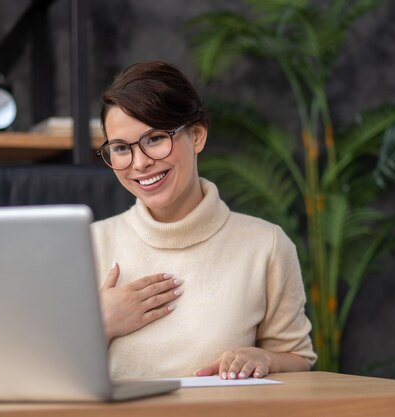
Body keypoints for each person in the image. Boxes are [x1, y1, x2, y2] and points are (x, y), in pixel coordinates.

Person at [91, 61, 316, 379]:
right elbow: (45, 376)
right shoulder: (88, 244)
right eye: (121, 148)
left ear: (196, 135)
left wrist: (266, 359)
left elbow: (298, 359)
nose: (140, 163)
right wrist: (99, 322)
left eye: (154, 139)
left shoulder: (266, 245)